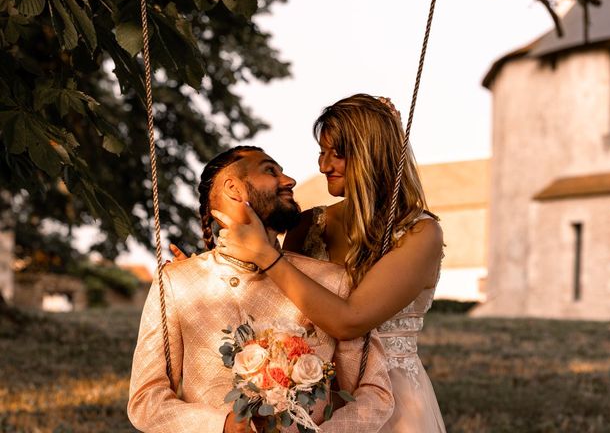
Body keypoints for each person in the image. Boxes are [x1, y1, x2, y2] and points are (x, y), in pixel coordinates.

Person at [213, 95, 447, 432]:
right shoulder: (309, 225)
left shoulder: (420, 233)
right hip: (313, 396)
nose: (324, 166)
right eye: (322, 153)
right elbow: (274, 308)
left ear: (371, 154)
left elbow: (350, 321)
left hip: (394, 404)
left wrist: (267, 254)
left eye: (337, 153)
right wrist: (210, 271)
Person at [128, 146, 394, 432]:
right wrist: (223, 426)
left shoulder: (333, 281)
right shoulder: (177, 282)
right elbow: (146, 400)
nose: (289, 180)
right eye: (270, 170)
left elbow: (374, 394)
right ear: (233, 188)